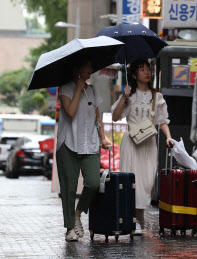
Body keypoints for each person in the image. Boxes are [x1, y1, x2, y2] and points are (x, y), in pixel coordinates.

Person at [111, 59, 172, 235]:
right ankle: (134, 219)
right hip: (131, 143)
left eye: (148, 69)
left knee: (147, 181)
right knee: (131, 181)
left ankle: (139, 215)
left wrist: (168, 137)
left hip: (149, 143)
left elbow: (162, 121)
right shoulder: (130, 95)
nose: (147, 72)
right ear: (133, 75)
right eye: (142, 69)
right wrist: (124, 97)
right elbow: (116, 117)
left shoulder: (157, 96)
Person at [56, 56, 109, 242]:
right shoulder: (64, 88)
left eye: (90, 65)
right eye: (86, 66)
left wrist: (103, 137)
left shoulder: (93, 91)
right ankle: (70, 227)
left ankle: (77, 213)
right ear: (76, 68)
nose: (90, 69)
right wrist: (78, 88)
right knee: (69, 188)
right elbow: (70, 112)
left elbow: (97, 118)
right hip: (68, 144)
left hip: (90, 144)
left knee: (94, 183)